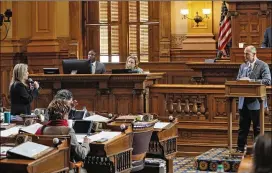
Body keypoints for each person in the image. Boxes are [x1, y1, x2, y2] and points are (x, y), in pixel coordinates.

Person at [35, 99, 90, 173]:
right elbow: (81, 154)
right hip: (64, 169)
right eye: (68, 114)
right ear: (64, 114)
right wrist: (86, 143)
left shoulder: (41, 130)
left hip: (45, 169)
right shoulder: (67, 131)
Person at [236, 45, 271, 152]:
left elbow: (267, 80)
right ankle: (240, 148)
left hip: (256, 101)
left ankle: (258, 150)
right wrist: (241, 80)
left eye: (247, 54)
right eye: (244, 54)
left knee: (257, 128)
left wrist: (252, 82)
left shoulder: (263, 65)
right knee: (243, 128)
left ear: (254, 54)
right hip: (244, 101)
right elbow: (238, 79)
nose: (245, 56)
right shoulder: (243, 66)